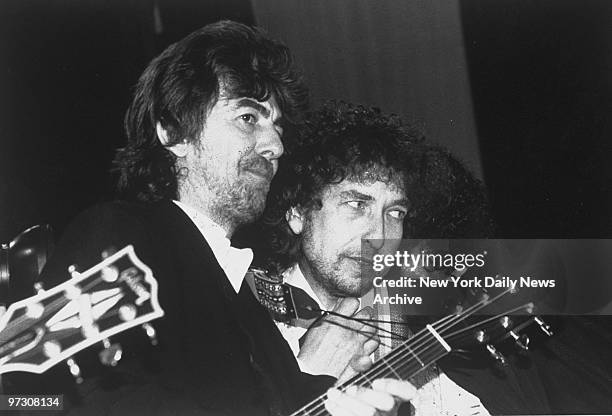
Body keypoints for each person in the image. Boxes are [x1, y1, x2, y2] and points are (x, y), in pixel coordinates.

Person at [3, 22, 415, 415]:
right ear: (173, 132)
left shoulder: (246, 303)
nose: (275, 145)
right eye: (248, 118)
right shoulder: (119, 233)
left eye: (278, 128)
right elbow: (24, 398)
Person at [247, 102, 491, 416]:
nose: (378, 237)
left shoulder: (414, 327)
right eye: (356, 204)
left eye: (395, 213)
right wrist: (307, 373)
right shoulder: (245, 316)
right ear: (297, 212)